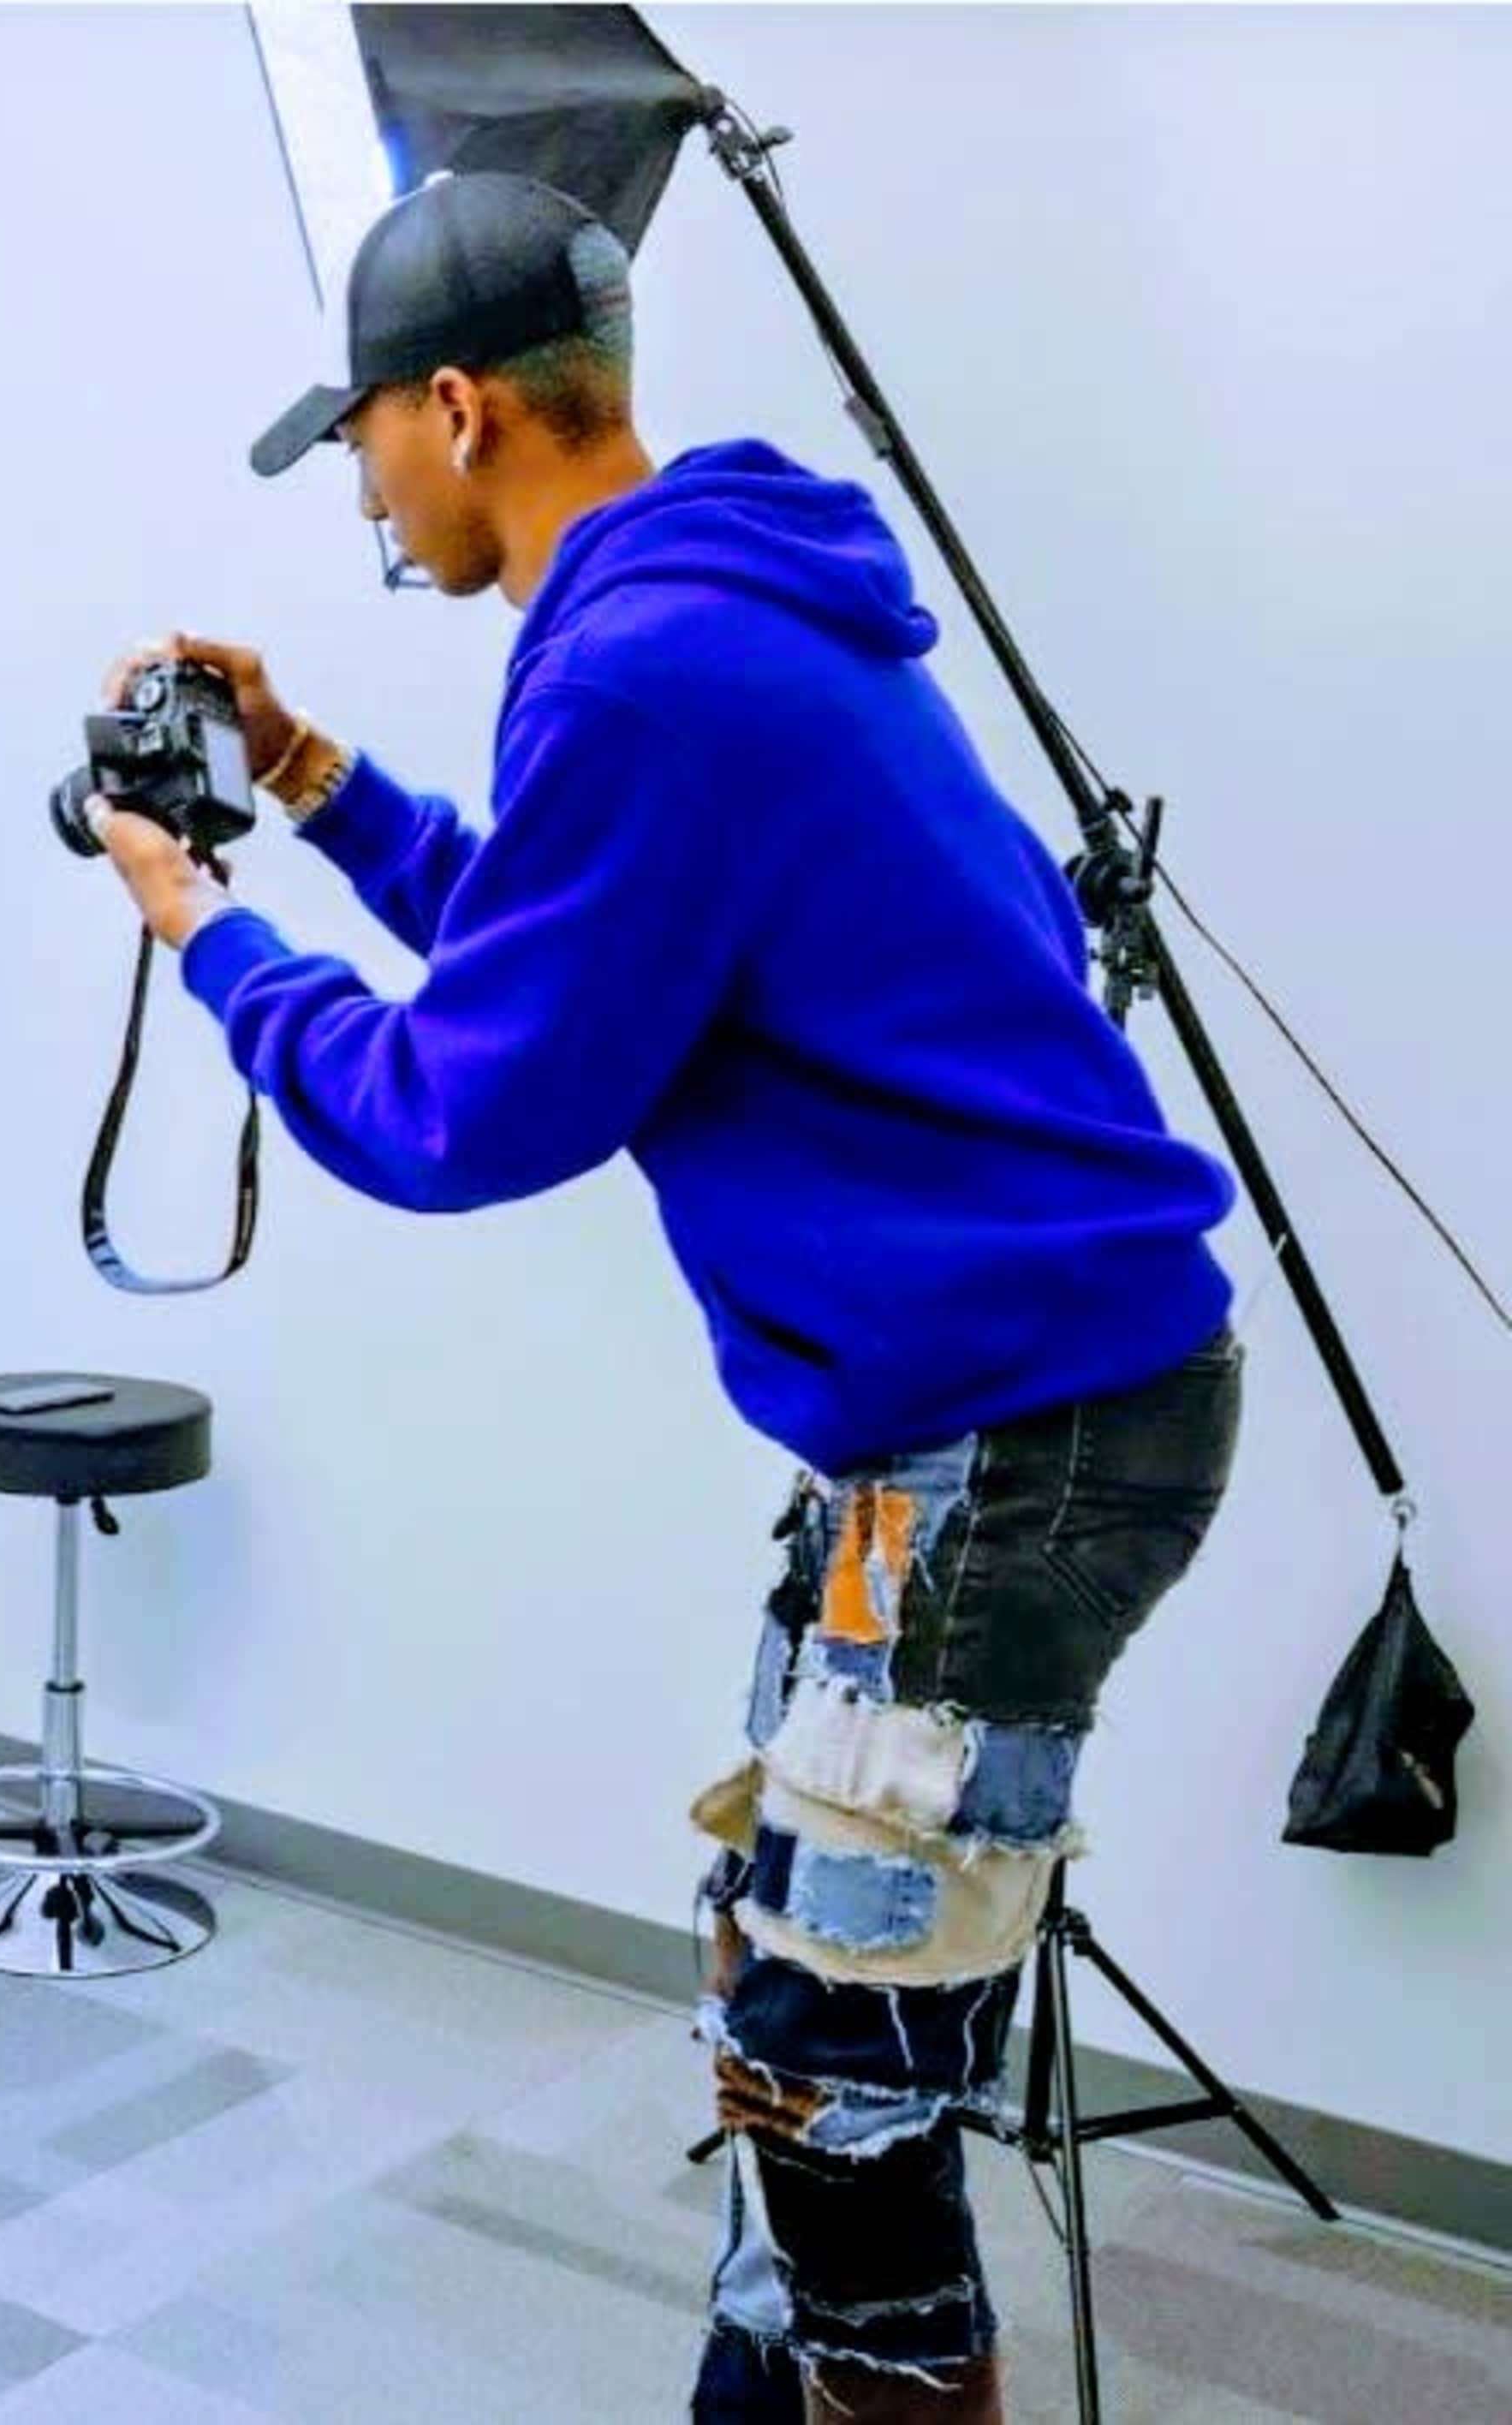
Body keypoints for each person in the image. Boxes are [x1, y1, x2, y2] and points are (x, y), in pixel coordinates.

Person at [86, 172, 1241, 2423]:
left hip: (1017, 1436)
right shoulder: (725, 615)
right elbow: (583, 956)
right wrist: (311, 779)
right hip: (996, 1416)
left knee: (843, 2091)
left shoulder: (640, 671)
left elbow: (457, 1110)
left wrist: (205, 937)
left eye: (362, 438)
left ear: (455, 409)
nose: (360, 482)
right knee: (789, 2001)